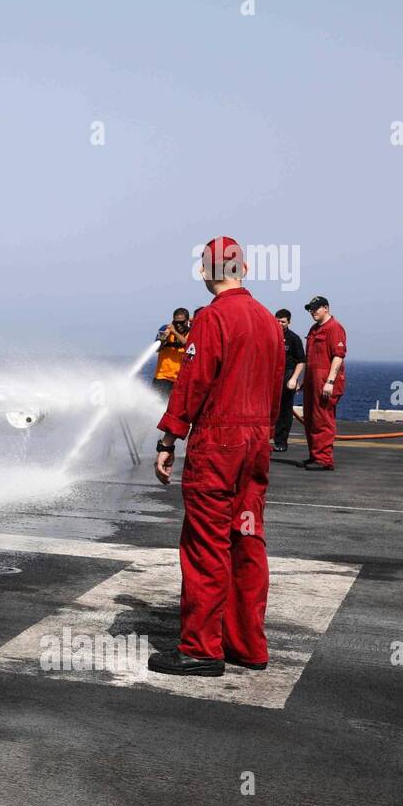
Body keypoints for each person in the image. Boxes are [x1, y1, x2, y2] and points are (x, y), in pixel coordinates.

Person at [150, 237, 283, 677]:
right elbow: (275, 389)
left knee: (206, 543)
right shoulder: (268, 321)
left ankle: (202, 649)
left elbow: (192, 383)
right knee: (247, 538)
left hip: (219, 443)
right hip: (257, 442)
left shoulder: (211, 319)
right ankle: (247, 644)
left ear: (206, 272)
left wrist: (169, 439)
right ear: (243, 268)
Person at [302, 295, 347, 471]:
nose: (313, 312)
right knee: (311, 419)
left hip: (325, 382)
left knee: (323, 419)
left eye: (316, 308)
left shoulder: (334, 328)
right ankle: (315, 455)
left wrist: (330, 381)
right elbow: (310, 359)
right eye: (311, 309)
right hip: (312, 381)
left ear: (326, 308)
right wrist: (304, 381)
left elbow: (338, 356)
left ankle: (324, 460)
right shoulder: (314, 329)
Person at [272, 309, 306, 452]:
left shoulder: (293, 338)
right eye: (277, 321)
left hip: (287, 376)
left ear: (289, 322)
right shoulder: (269, 335)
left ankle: (281, 442)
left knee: (284, 411)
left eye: (283, 322)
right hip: (271, 376)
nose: (280, 324)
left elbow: (301, 360)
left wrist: (294, 379)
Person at [152, 308, 191, 398]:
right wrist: (163, 340)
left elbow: (187, 344)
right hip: (162, 377)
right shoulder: (165, 329)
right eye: (176, 322)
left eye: (181, 322)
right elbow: (157, 349)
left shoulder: (192, 332)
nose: (178, 325)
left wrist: (174, 331)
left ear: (187, 321)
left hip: (180, 380)